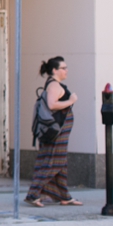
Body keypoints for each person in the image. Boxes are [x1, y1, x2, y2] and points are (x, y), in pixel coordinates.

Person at [25, 56, 82, 207]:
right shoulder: (54, 86)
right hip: (57, 132)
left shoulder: (54, 84)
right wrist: (71, 101)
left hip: (58, 132)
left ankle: (64, 196)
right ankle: (33, 194)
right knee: (52, 163)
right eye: (63, 68)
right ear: (55, 70)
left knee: (60, 163)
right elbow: (52, 105)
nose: (66, 70)